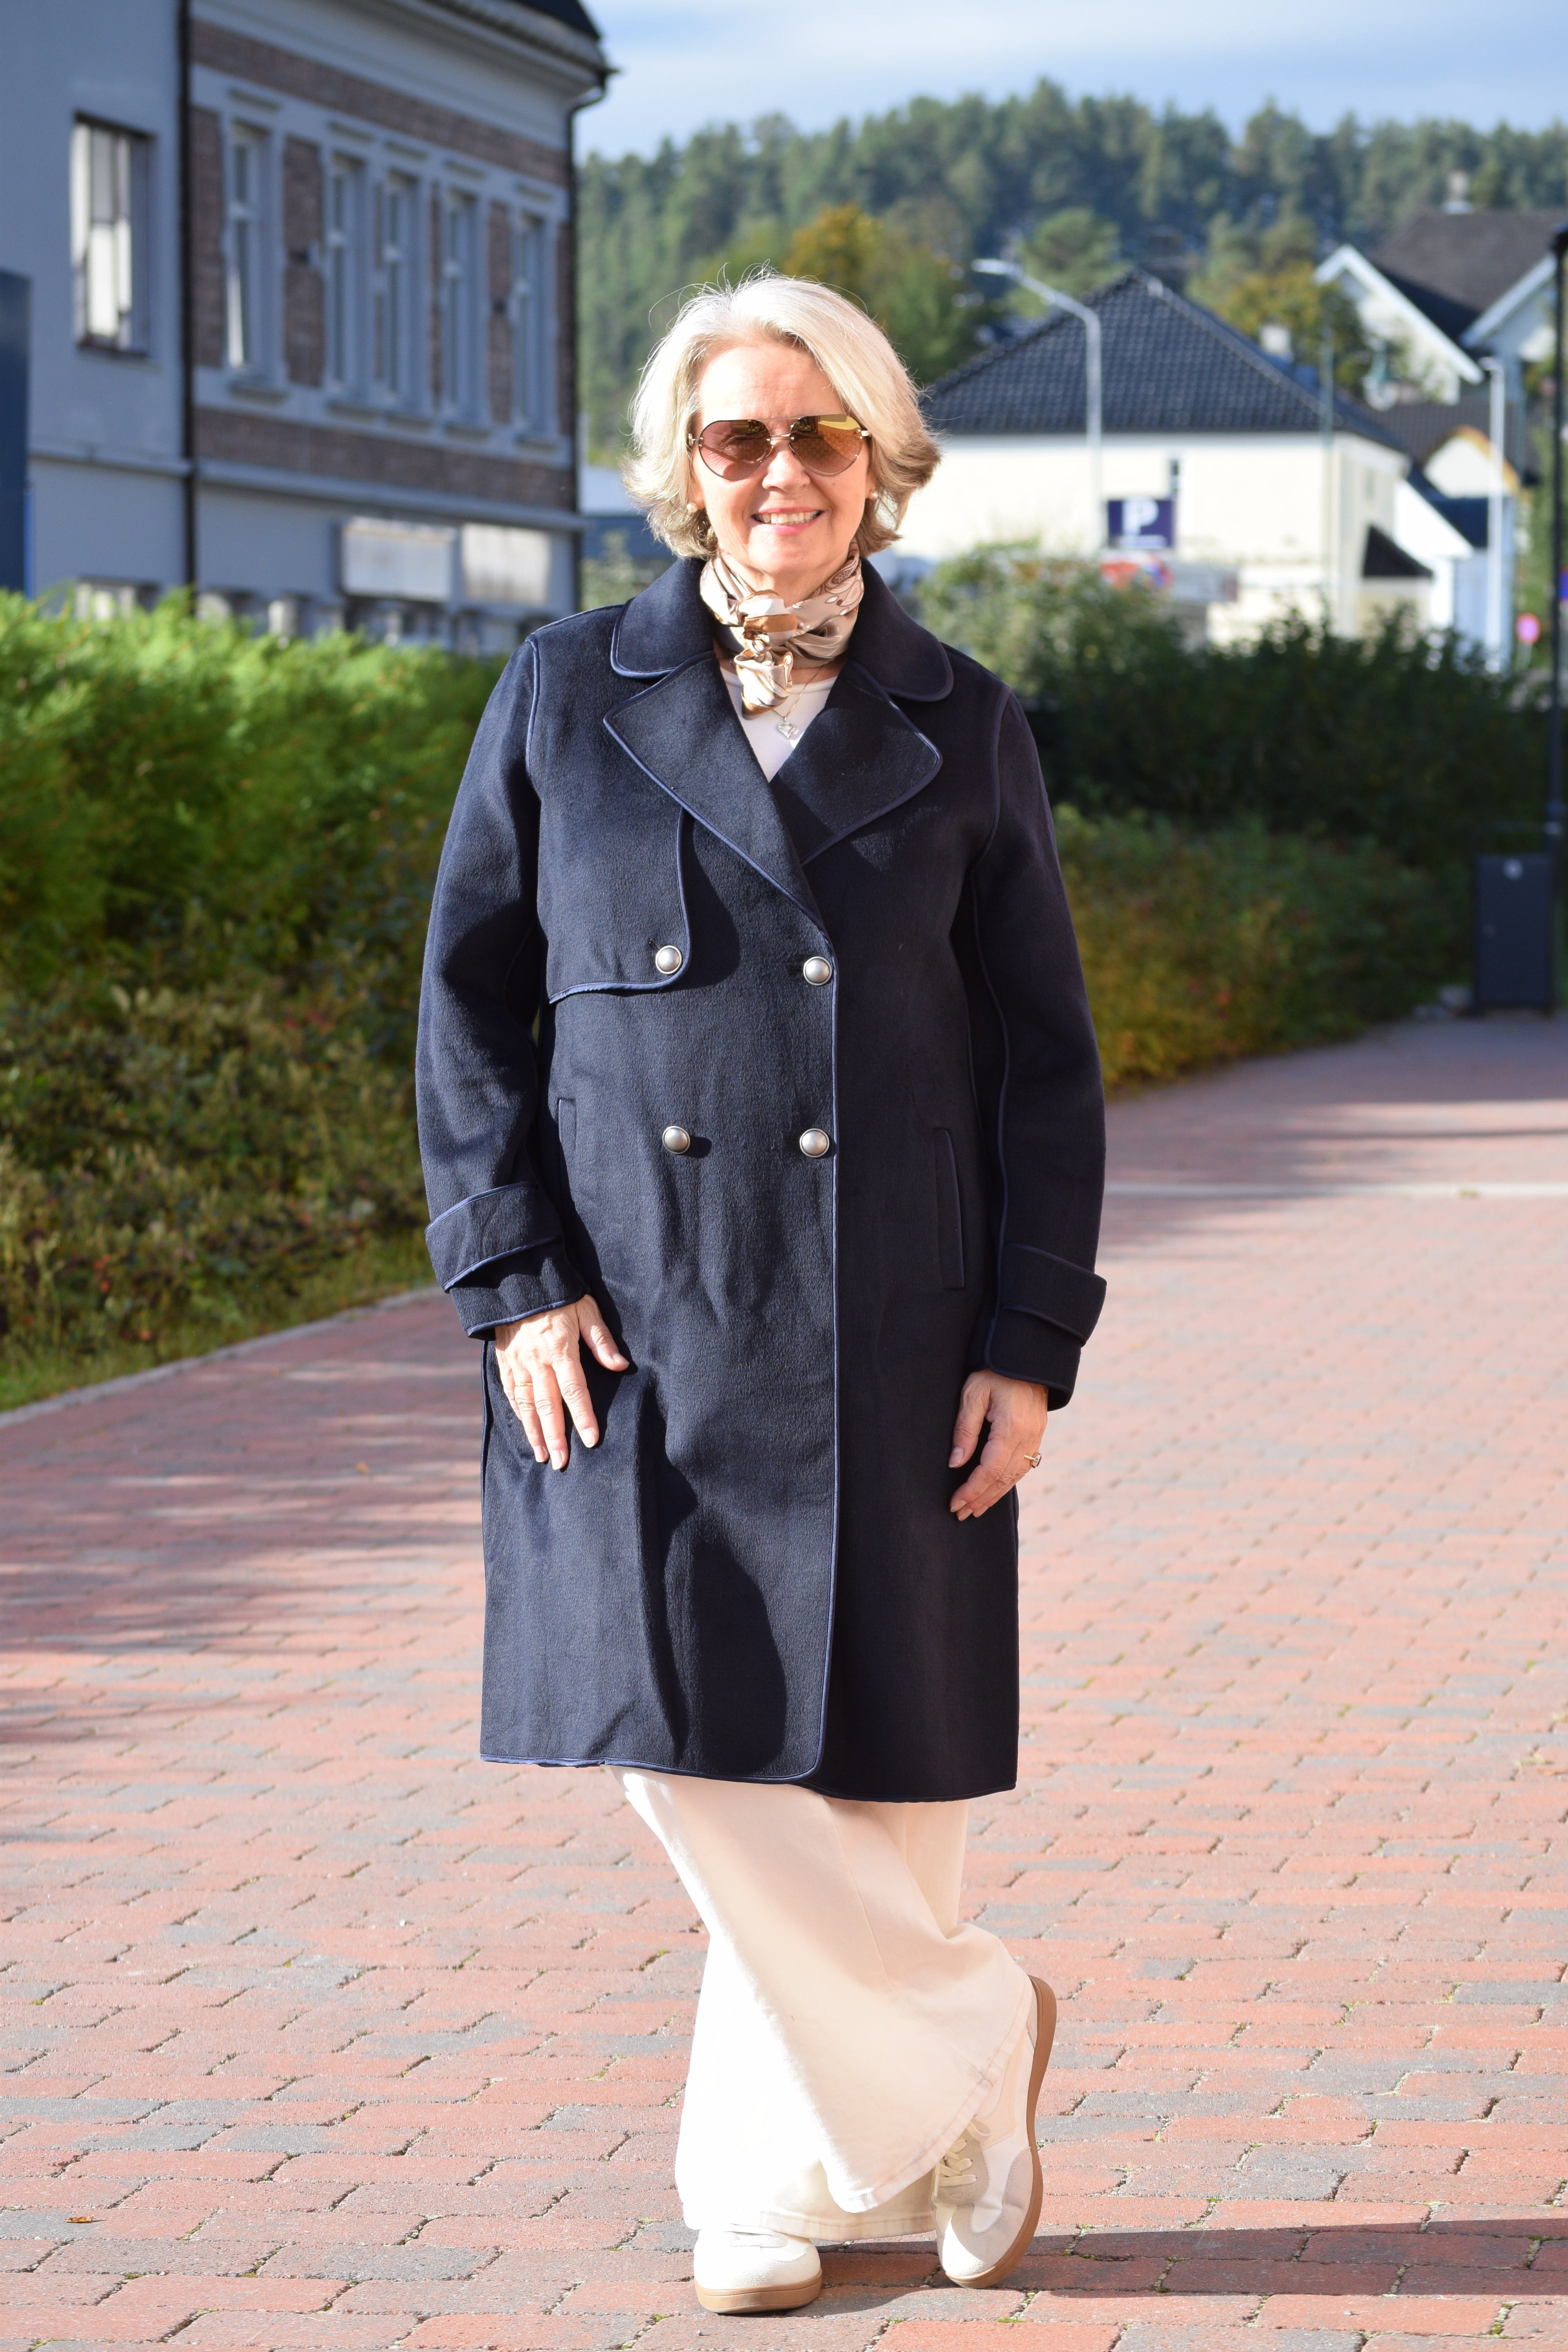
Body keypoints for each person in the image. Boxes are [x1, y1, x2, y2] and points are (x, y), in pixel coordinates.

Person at [416, 274, 1107, 2315]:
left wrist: (1031, 1343)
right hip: (637, 1327)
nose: (780, 473)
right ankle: (976, 2046)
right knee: (689, 1745)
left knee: (885, 1780)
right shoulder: (564, 693)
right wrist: (512, 1283)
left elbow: (1045, 1064)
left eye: (821, 435)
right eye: (739, 438)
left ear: (882, 464)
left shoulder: (962, 718)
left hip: (901, 1325)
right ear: (685, 470)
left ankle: (773, 2192)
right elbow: (468, 1016)